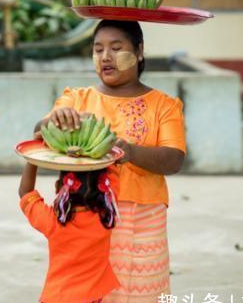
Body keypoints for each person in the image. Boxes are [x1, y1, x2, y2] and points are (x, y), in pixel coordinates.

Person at [35, 19, 186, 302]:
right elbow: (38, 134)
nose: (105, 56)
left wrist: (130, 152)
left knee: (141, 292)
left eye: (117, 48)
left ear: (139, 51)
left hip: (144, 218)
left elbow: (174, 159)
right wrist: (52, 120)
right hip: (83, 218)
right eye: (98, 49)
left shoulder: (164, 105)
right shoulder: (76, 98)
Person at [19, 163, 120, 303]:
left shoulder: (53, 222)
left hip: (58, 297)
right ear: (103, 186)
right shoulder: (106, 217)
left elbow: (25, 193)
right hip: (91, 298)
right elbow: (113, 173)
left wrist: (31, 161)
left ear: (59, 188)